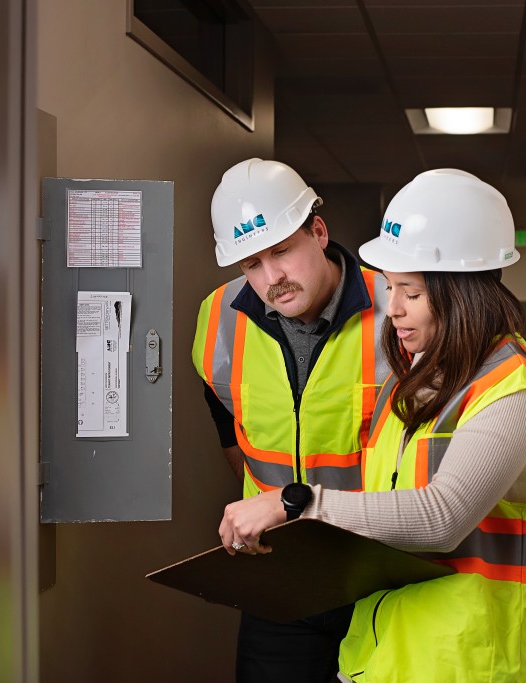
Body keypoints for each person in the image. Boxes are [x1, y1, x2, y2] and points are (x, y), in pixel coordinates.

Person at [218, 168, 526, 682]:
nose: (393, 310)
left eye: (410, 292)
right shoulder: (419, 379)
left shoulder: (513, 394)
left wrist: (294, 503)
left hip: (475, 664)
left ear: (462, 292)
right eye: (391, 289)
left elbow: (443, 517)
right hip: (389, 653)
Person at [191, 158, 389, 682]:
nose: (271, 278)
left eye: (282, 251)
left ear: (318, 232)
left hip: (380, 571)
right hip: (282, 576)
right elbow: (225, 420)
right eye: (251, 265)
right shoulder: (218, 318)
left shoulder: (398, 310)